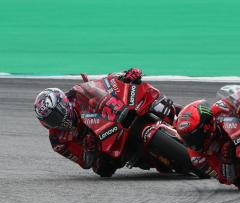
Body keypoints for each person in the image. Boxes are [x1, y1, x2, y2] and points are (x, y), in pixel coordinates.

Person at [34, 68, 176, 177]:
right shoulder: (57, 141)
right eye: (51, 120)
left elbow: (105, 83)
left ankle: (179, 116)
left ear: (64, 103)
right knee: (102, 170)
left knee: (154, 100)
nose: (57, 121)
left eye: (57, 114)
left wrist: (124, 76)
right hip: (102, 145)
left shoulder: (77, 93)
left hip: (114, 117)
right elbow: (84, 163)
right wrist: (89, 149)